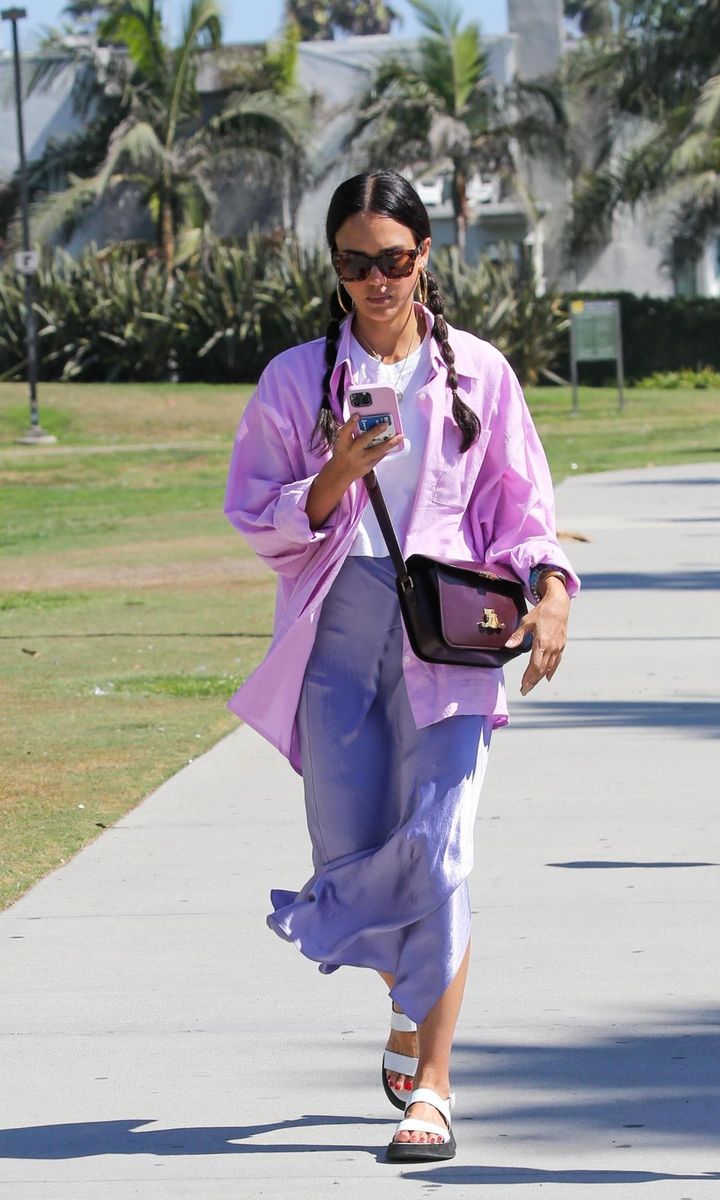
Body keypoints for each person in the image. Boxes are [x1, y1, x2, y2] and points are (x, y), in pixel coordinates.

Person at [224, 170, 580, 1163]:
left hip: (448, 638)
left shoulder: (482, 375)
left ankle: (434, 1086)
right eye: (355, 263)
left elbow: (525, 508)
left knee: (440, 848)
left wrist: (550, 590)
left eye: (395, 259)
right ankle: (406, 999)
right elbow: (256, 513)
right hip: (336, 637)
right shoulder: (298, 380)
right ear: (333, 270)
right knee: (351, 851)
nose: (378, 280)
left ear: (426, 256)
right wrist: (336, 470)